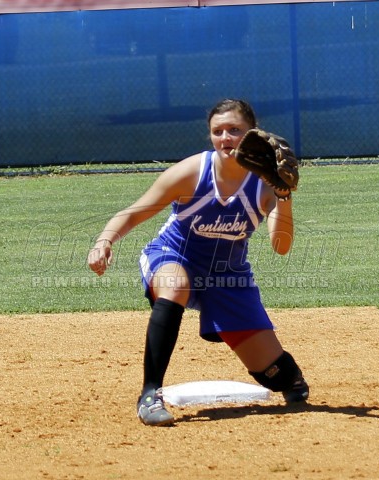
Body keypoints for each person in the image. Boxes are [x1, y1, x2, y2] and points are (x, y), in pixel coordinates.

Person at [87, 98, 309, 426]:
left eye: (234, 130)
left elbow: (281, 246)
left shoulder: (265, 185)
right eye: (218, 131)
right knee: (175, 284)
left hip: (227, 274)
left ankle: (290, 377)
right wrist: (104, 241)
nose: (225, 138)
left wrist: (283, 195)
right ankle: (149, 394)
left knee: (278, 376)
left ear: (252, 133)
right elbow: (135, 212)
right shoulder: (192, 172)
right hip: (174, 255)